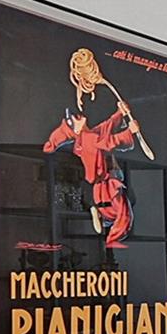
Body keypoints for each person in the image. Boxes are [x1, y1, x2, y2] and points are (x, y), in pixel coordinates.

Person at [43, 101, 141, 249]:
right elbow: (108, 142)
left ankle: (104, 219)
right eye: (74, 119)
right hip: (105, 184)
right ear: (75, 130)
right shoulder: (88, 138)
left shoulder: (88, 136)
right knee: (123, 210)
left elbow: (106, 127)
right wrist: (129, 131)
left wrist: (119, 113)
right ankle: (112, 236)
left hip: (102, 185)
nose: (78, 116)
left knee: (122, 208)